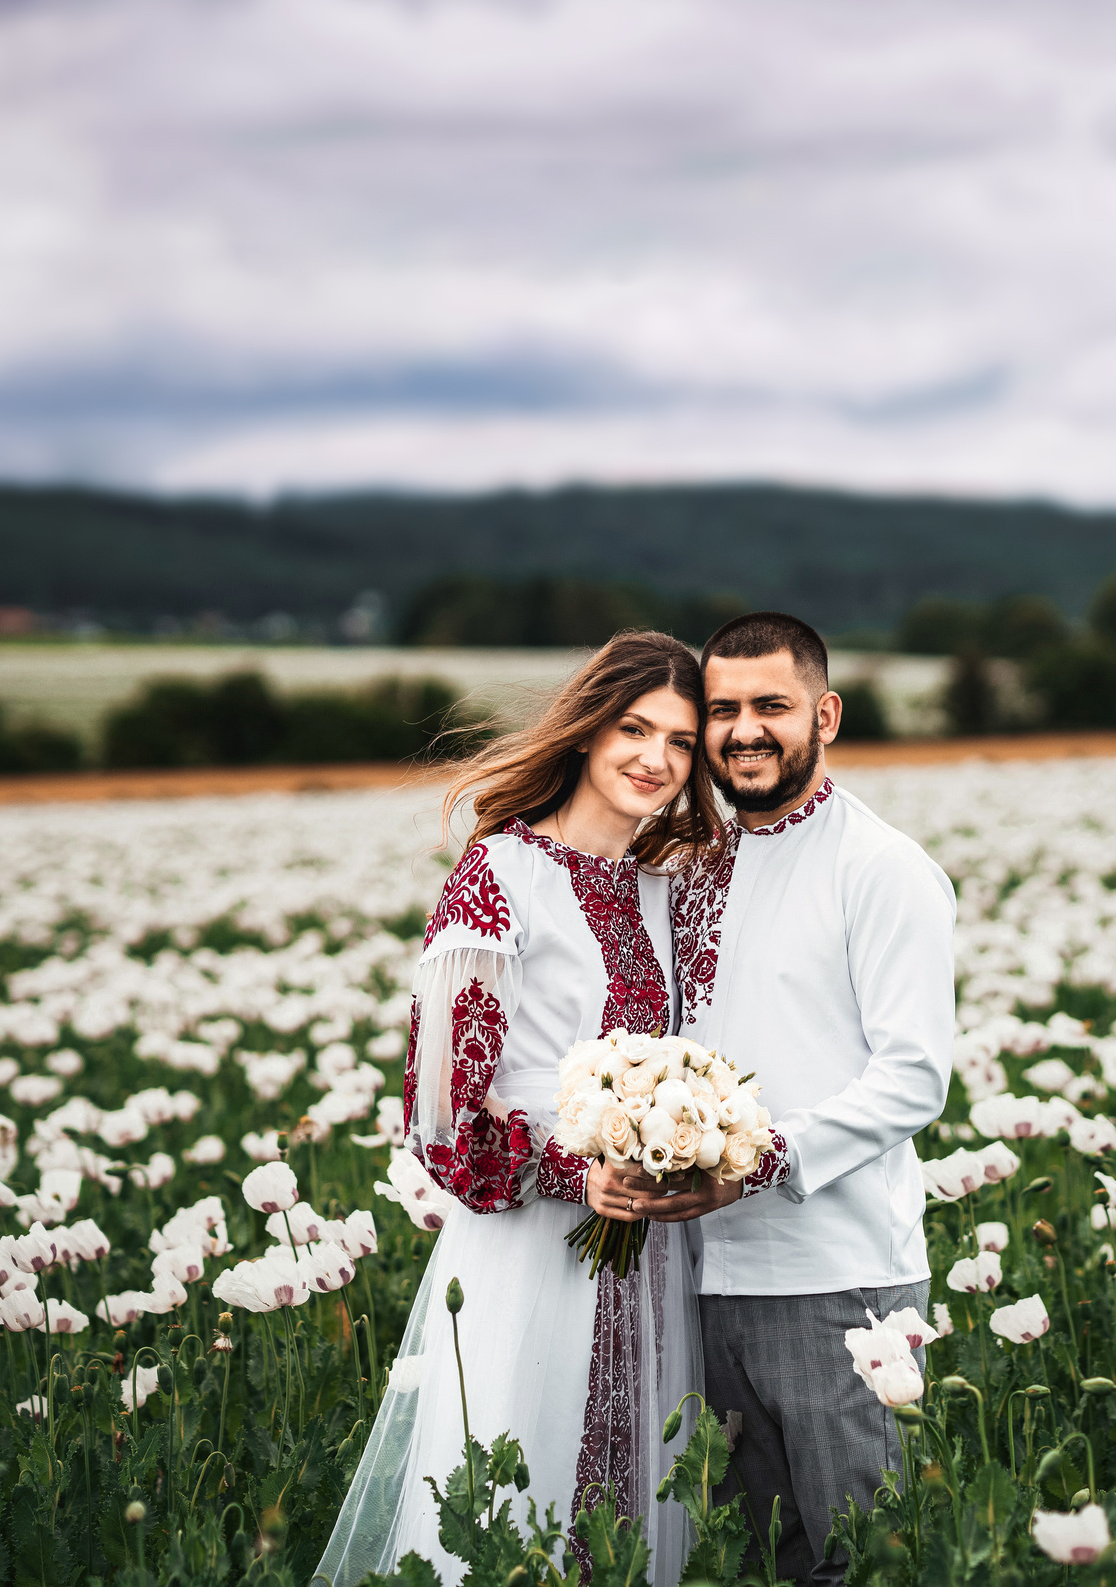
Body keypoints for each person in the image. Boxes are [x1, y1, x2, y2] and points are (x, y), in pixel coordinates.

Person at [313, 631, 723, 1587]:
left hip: (653, 1248)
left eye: (680, 741)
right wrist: (576, 1172)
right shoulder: (501, 873)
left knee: (636, 1507)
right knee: (520, 1497)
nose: (654, 759)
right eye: (633, 726)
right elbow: (441, 1108)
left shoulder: (670, 889)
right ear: (585, 730)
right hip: (536, 1244)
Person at [627, 611, 958, 1587]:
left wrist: (754, 1160)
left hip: (839, 1277)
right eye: (722, 709)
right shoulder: (690, 866)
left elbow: (912, 1077)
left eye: (770, 704)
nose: (744, 729)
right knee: (746, 1565)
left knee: (859, 1560)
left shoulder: (882, 867)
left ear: (825, 713)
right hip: (698, 1278)